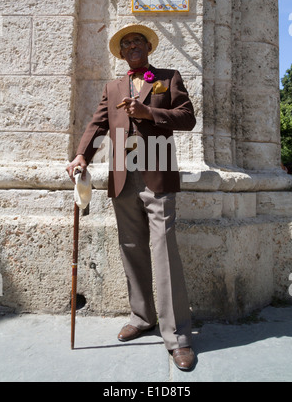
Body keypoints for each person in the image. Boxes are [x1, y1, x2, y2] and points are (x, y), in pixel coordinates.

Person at [66, 24, 196, 370]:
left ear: (148, 47)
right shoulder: (112, 87)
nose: (132, 46)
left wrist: (148, 113)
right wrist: (81, 155)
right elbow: (98, 125)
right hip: (123, 176)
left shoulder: (167, 78)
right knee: (132, 248)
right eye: (126, 44)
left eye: (137, 41)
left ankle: (179, 337)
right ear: (121, 53)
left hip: (158, 172)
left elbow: (187, 118)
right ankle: (142, 317)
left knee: (164, 252)